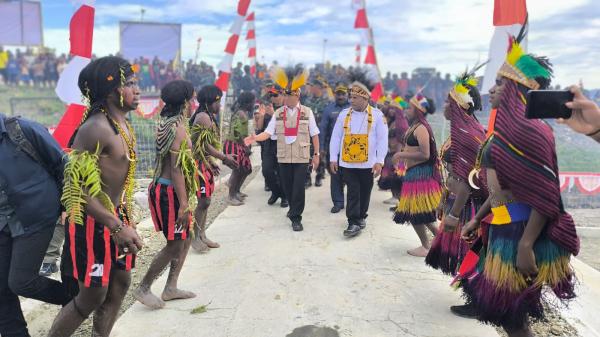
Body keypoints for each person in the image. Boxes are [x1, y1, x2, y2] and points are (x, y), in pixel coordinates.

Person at [460, 33, 579, 337]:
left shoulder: (533, 132)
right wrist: (477, 217)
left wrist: (526, 244)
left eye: (499, 83)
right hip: (501, 227)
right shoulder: (504, 132)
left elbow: (545, 195)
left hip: (521, 232)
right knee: (504, 313)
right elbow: (503, 189)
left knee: (514, 317)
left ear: (515, 88)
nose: (491, 89)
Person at [48, 56, 144, 337]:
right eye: (133, 84)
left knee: (121, 282)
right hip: (93, 225)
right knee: (92, 296)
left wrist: (123, 221)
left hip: (117, 219)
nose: (138, 90)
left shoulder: (122, 124)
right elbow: (76, 191)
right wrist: (115, 225)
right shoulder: (95, 128)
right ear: (113, 89)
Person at [0, 113, 71, 337]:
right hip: (3, 223)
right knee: (1, 288)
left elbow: (62, 165)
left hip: (36, 217)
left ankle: (77, 300)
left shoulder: (21, 129)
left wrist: (67, 204)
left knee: (20, 281)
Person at [424, 67, 486, 319]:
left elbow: (469, 180)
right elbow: (453, 175)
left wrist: (455, 213)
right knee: (464, 254)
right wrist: (443, 201)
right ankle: (473, 296)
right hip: (455, 202)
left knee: (468, 253)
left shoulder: (469, 136)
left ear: (463, 106)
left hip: (467, 206)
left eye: (450, 103)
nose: (445, 108)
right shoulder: (460, 133)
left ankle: (478, 301)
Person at [134, 80, 199, 309]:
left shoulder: (168, 122)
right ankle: (143, 287)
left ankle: (171, 287)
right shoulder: (178, 128)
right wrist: (183, 204)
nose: (194, 103)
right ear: (185, 102)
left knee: (187, 235)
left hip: (166, 189)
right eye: (192, 99)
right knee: (174, 244)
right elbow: (177, 168)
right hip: (170, 192)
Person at [245, 67, 320, 231]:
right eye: (285, 95)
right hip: (284, 157)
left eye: (289, 95)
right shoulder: (279, 113)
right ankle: (293, 209)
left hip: (301, 157)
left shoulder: (307, 112)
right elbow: (268, 132)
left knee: (299, 187)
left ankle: (296, 217)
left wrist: (316, 154)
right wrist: (255, 138)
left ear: (297, 95)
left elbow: (314, 134)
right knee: (287, 187)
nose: (286, 98)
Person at [329, 72, 389, 238]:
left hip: (368, 163)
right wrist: (333, 157)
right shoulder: (344, 114)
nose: (351, 100)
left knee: (365, 190)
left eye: (355, 98)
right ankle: (353, 221)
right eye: (351, 97)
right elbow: (336, 137)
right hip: (347, 163)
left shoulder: (377, 116)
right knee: (353, 191)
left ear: (365, 99)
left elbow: (383, 140)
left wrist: (380, 161)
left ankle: (362, 216)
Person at [392, 93, 442, 257]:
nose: (406, 110)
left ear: (418, 110)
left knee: (417, 213)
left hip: (421, 176)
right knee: (419, 213)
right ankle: (439, 241)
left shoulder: (421, 128)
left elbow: (426, 154)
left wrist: (401, 156)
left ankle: (428, 246)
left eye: (410, 107)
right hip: (414, 175)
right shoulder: (415, 126)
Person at [190, 85, 238, 252]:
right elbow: (204, 145)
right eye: (218, 102)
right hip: (197, 165)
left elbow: (203, 146)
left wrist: (210, 163)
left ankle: (202, 235)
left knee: (206, 201)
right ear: (210, 102)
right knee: (204, 201)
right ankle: (195, 237)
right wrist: (224, 158)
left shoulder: (207, 115)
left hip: (204, 163)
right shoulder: (203, 117)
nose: (220, 106)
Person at [255, 83, 288, 208]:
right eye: (271, 95)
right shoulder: (267, 106)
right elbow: (259, 128)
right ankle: (276, 192)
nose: (273, 98)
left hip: (282, 143)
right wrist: (262, 116)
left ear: (282, 94)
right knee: (267, 170)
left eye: (275, 95)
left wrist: (274, 114)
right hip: (269, 143)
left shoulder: (288, 107)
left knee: (282, 173)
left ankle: (284, 196)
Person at [320, 84, 350, 213]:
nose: (341, 96)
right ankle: (338, 202)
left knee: (351, 176)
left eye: (343, 94)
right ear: (335, 94)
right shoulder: (329, 109)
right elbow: (323, 129)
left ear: (347, 94)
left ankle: (353, 202)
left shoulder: (353, 108)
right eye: (339, 94)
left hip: (351, 148)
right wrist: (321, 148)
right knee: (335, 175)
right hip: (334, 149)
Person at [224, 92, 255, 206]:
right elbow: (237, 132)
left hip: (238, 144)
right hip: (235, 145)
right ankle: (231, 196)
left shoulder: (242, 113)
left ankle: (236, 191)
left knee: (245, 169)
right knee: (238, 170)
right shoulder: (241, 114)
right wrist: (245, 145)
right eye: (252, 102)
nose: (254, 104)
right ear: (247, 103)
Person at [379, 96, 409, 208]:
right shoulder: (391, 122)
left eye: (394, 109)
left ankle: (400, 201)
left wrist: (397, 156)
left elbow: (401, 141)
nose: (391, 111)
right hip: (390, 153)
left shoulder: (401, 123)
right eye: (390, 108)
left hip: (398, 155)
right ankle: (394, 197)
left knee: (399, 177)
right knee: (391, 177)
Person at [304, 78, 331, 188]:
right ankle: (307, 178)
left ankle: (319, 176)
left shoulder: (327, 102)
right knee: (307, 155)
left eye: (314, 87)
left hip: (321, 132)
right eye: (312, 87)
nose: (312, 89)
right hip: (308, 132)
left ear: (319, 88)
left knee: (321, 154)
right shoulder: (307, 101)